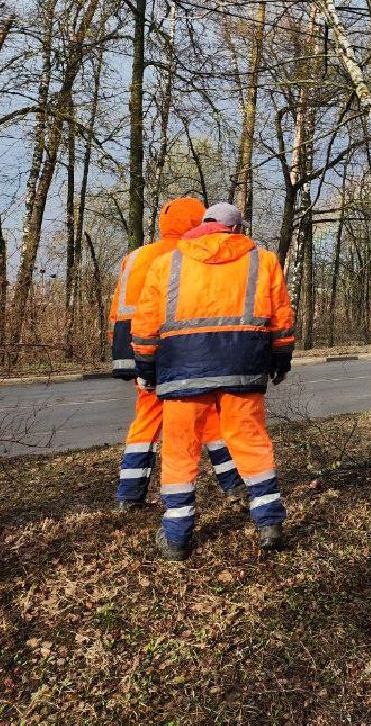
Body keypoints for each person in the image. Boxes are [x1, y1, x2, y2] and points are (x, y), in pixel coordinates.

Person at [130, 202, 295, 561]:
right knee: (251, 443)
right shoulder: (263, 261)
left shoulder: (167, 263)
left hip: (182, 370)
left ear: (203, 224)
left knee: (180, 450)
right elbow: (281, 319)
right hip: (243, 367)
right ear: (235, 229)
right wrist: (280, 361)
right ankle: (269, 523)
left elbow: (144, 325)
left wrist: (146, 370)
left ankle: (176, 538)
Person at [108, 197, 243, 511]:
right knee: (207, 413)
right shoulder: (187, 255)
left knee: (146, 418)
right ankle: (234, 483)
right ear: (197, 223)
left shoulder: (135, 256)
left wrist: (128, 352)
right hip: (174, 349)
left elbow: (117, 309)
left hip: (134, 347)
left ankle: (129, 495)